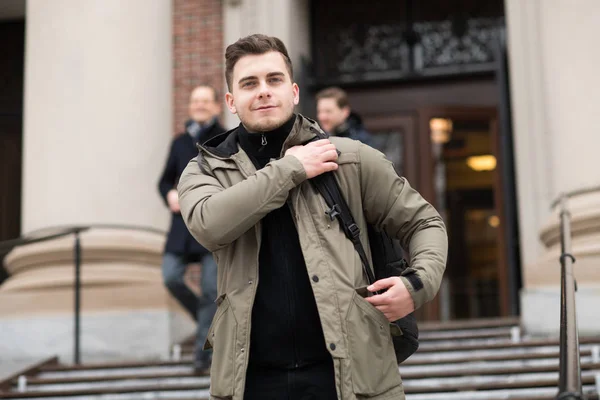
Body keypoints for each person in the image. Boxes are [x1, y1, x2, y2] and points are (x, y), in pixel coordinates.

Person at [178, 34, 447, 399]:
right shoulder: (204, 170)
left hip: (350, 376)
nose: (263, 92)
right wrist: (291, 169)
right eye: (249, 84)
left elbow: (424, 223)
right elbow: (209, 225)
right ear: (231, 101)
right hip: (251, 381)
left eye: (274, 80)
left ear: (294, 91)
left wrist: (417, 284)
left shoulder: (350, 158)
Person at [157, 84, 225, 374]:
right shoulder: (179, 142)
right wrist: (169, 195)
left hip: (212, 224)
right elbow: (163, 181)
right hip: (181, 229)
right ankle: (207, 323)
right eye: (194, 101)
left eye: (204, 101)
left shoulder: (226, 139)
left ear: (216, 106)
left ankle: (203, 356)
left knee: (211, 290)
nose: (199, 105)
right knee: (170, 277)